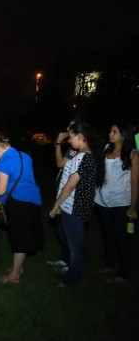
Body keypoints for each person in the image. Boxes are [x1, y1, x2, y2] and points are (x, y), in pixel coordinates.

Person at [49, 122, 104, 288]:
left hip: (73, 208)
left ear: (81, 137)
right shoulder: (87, 155)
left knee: (75, 247)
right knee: (76, 245)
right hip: (75, 206)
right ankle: (77, 273)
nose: (69, 140)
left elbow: (71, 184)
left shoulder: (83, 157)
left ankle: (71, 281)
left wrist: (56, 204)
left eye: (71, 136)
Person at [0, 135, 43, 284]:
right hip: (33, 200)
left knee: (19, 239)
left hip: (18, 203)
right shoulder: (25, 156)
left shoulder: (4, 161)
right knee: (23, 236)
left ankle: (14, 276)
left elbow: (0, 190)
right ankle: (18, 267)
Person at [94, 122, 139, 284]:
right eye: (110, 130)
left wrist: (133, 207)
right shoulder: (107, 149)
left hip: (121, 202)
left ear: (124, 135)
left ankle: (123, 273)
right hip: (102, 200)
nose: (110, 134)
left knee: (121, 238)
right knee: (108, 235)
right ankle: (110, 265)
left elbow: (135, 182)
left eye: (114, 132)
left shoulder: (132, 154)